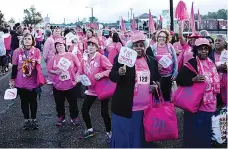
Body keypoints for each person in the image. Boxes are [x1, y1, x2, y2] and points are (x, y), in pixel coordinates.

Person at [110, 31, 160, 148]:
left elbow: (158, 78)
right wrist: (119, 73)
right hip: (126, 107)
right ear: (131, 47)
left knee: (140, 137)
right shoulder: (122, 59)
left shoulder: (151, 60)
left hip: (145, 109)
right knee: (125, 136)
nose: (139, 48)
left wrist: (156, 85)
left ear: (145, 46)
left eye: (141, 45)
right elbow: (112, 75)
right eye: (135, 45)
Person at [176, 38, 220, 148]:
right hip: (196, 105)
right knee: (194, 130)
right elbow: (179, 79)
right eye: (201, 49)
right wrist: (193, 79)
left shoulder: (211, 63)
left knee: (206, 130)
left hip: (210, 104)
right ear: (196, 50)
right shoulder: (192, 62)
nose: (204, 51)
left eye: (206, 49)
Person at [77, 38, 112, 141]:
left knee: (104, 112)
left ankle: (109, 132)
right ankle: (89, 129)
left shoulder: (101, 58)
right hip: (91, 90)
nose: (90, 47)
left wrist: (102, 74)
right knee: (84, 110)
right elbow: (79, 72)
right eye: (89, 45)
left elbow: (111, 69)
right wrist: (78, 78)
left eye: (93, 45)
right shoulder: (84, 59)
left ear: (97, 47)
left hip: (102, 89)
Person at [9, 33, 42, 130]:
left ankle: (34, 120)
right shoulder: (17, 52)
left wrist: (39, 62)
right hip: (20, 81)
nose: (27, 40)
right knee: (24, 102)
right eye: (25, 39)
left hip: (33, 81)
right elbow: (14, 67)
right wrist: (12, 79)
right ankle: (26, 120)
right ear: (22, 40)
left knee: (33, 102)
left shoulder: (36, 51)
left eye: (29, 39)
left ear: (32, 41)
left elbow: (38, 65)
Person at [47, 39, 81, 126]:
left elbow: (79, 66)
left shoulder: (71, 55)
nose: (59, 47)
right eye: (57, 46)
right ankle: (61, 117)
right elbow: (49, 69)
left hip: (71, 84)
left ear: (64, 46)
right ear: (55, 48)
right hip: (58, 85)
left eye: (61, 45)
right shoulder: (53, 58)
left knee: (73, 102)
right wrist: (55, 72)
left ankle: (74, 117)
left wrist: (77, 78)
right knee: (59, 103)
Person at [150, 29, 178, 102]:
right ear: (157, 37)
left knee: (167, 96)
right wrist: (155, 66)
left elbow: (175, 61)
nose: (161, 38)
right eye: (160, 36)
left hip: (168, 76)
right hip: (157, 77)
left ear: (167, 38)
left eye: (164, 37)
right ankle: (158, 111)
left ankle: (167, 110)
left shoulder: (170, 47)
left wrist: (175, 73)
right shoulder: (153, 47)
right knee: (157, 96)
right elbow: (149, 61)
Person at [209, 34, 227, 106]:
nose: (217, 42)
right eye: (216, 40)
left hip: (225, 86)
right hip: (213, 84)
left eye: (219, 40)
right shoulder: (209, 54)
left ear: (225, 43)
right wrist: (217, 68)